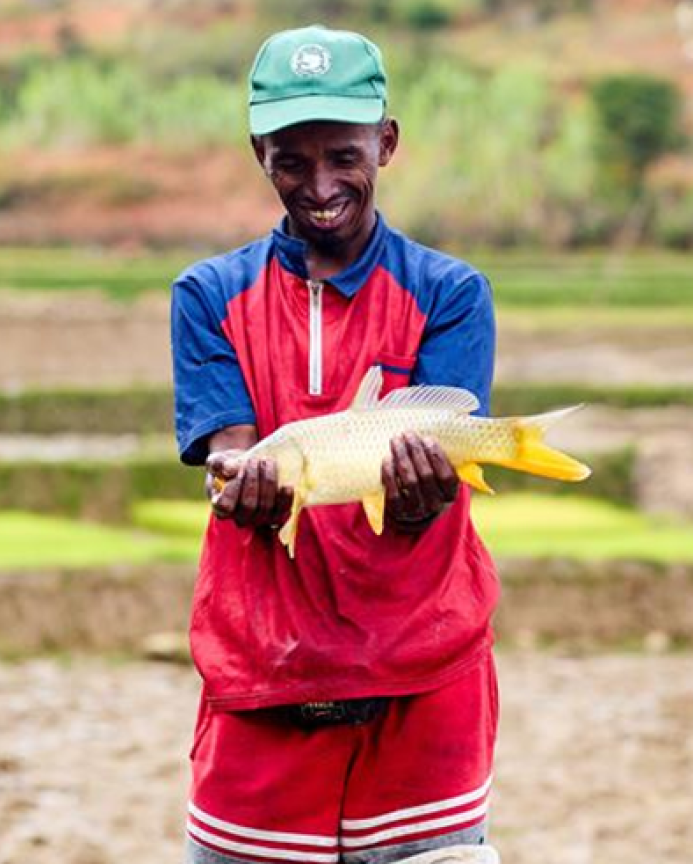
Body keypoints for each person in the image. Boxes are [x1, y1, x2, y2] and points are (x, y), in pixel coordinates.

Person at [169, 25, 502, 864]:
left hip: (424, 688)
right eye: (291, 159)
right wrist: (239, 482)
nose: (319, 185)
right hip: (262, 685)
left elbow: (436, 483)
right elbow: (236, 454)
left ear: (384, 143)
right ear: (260, 153)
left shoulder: (450, 294)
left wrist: (429, 493)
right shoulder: (208, 296)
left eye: (343, 155)